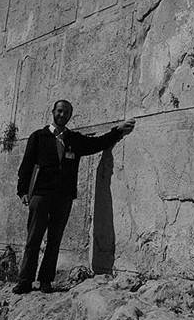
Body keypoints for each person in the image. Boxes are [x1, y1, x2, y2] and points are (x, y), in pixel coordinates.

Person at [12, 100, 135, 294]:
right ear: (53, 111)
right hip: (41, 194)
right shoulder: (38, 136)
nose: (62, 115)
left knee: (54, 241)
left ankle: (45, 281)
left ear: (70, 116)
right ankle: (25, 281)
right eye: (60, 111)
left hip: (64, 197)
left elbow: (97, 143)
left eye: (67, 112)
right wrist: (23, 191)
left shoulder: (73, 139)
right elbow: (26, 165)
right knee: (33, 239)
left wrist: (117, 131)